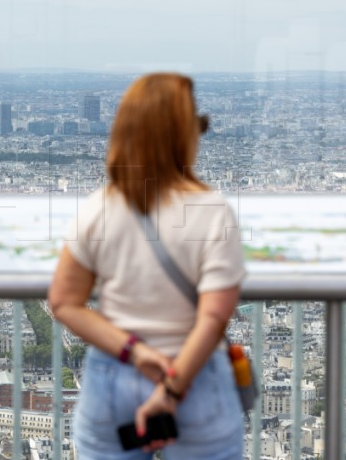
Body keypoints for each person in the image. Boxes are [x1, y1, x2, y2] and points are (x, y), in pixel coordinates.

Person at [48, 73, 246, 459]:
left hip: (114, 375)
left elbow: (64, 302)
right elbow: (214, 318)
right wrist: (171, 389)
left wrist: (136, 352)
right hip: (195, 378)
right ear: (183, 136)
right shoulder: (212, 211)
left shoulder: (100, 208)